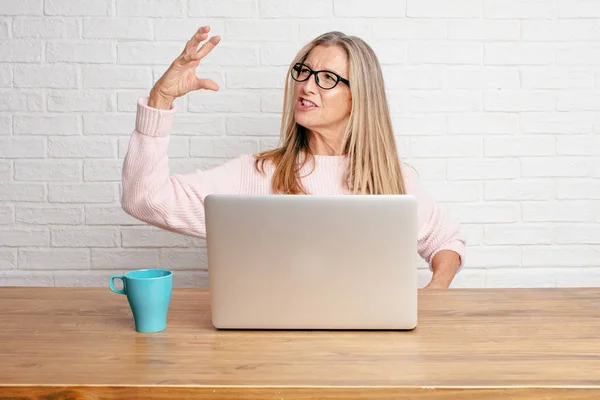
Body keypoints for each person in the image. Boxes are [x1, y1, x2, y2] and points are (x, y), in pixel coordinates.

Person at [121, 26, 466, 289]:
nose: (307, 86)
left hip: (371, 350)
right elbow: (145, 200)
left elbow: (445, 241)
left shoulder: (393, 179)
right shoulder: (254, 174)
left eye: (327, 78)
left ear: (358, 96)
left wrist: (436, 289)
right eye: (303, 71)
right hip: (272, 349)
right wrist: (160, 100)